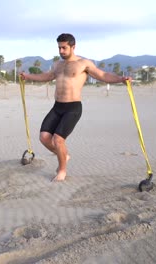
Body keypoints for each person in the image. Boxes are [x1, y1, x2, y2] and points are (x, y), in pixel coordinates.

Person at [20, 33, 131, 182]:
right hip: (57, 107)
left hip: (72, 108)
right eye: (59, 48)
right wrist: (28, 77)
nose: (61, 51)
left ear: (73, 47)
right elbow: (46, 76)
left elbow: (102, 75)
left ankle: (62, 170)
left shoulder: (83, 63)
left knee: (58, 140)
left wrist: (121, 79)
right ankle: (64, 155)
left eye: (64, 48)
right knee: (44, 138)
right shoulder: (57, 65)